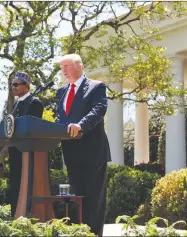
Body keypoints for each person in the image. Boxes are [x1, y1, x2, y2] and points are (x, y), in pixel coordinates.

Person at [55, 54, 111, 236]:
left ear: (79, 66)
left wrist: (81, 125)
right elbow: (60, 118)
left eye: (67, 65)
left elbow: (99, 109)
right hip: (71, 153)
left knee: (94, 200)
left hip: (93, 152)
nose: (63, 70)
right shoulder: (61, 91)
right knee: (77, 199)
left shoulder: (96, 87)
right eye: (62, 66)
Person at [7, 71, 44, 218]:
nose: (13, 87)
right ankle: (14, 215)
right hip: (15, 151)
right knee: (15, 185)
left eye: (16, 84)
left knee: (26, 184)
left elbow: (34, 129)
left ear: (26, 86)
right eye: (12, 85)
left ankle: (26, 215)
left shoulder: (35, 103)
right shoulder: (16, 103)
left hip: (28, 152)